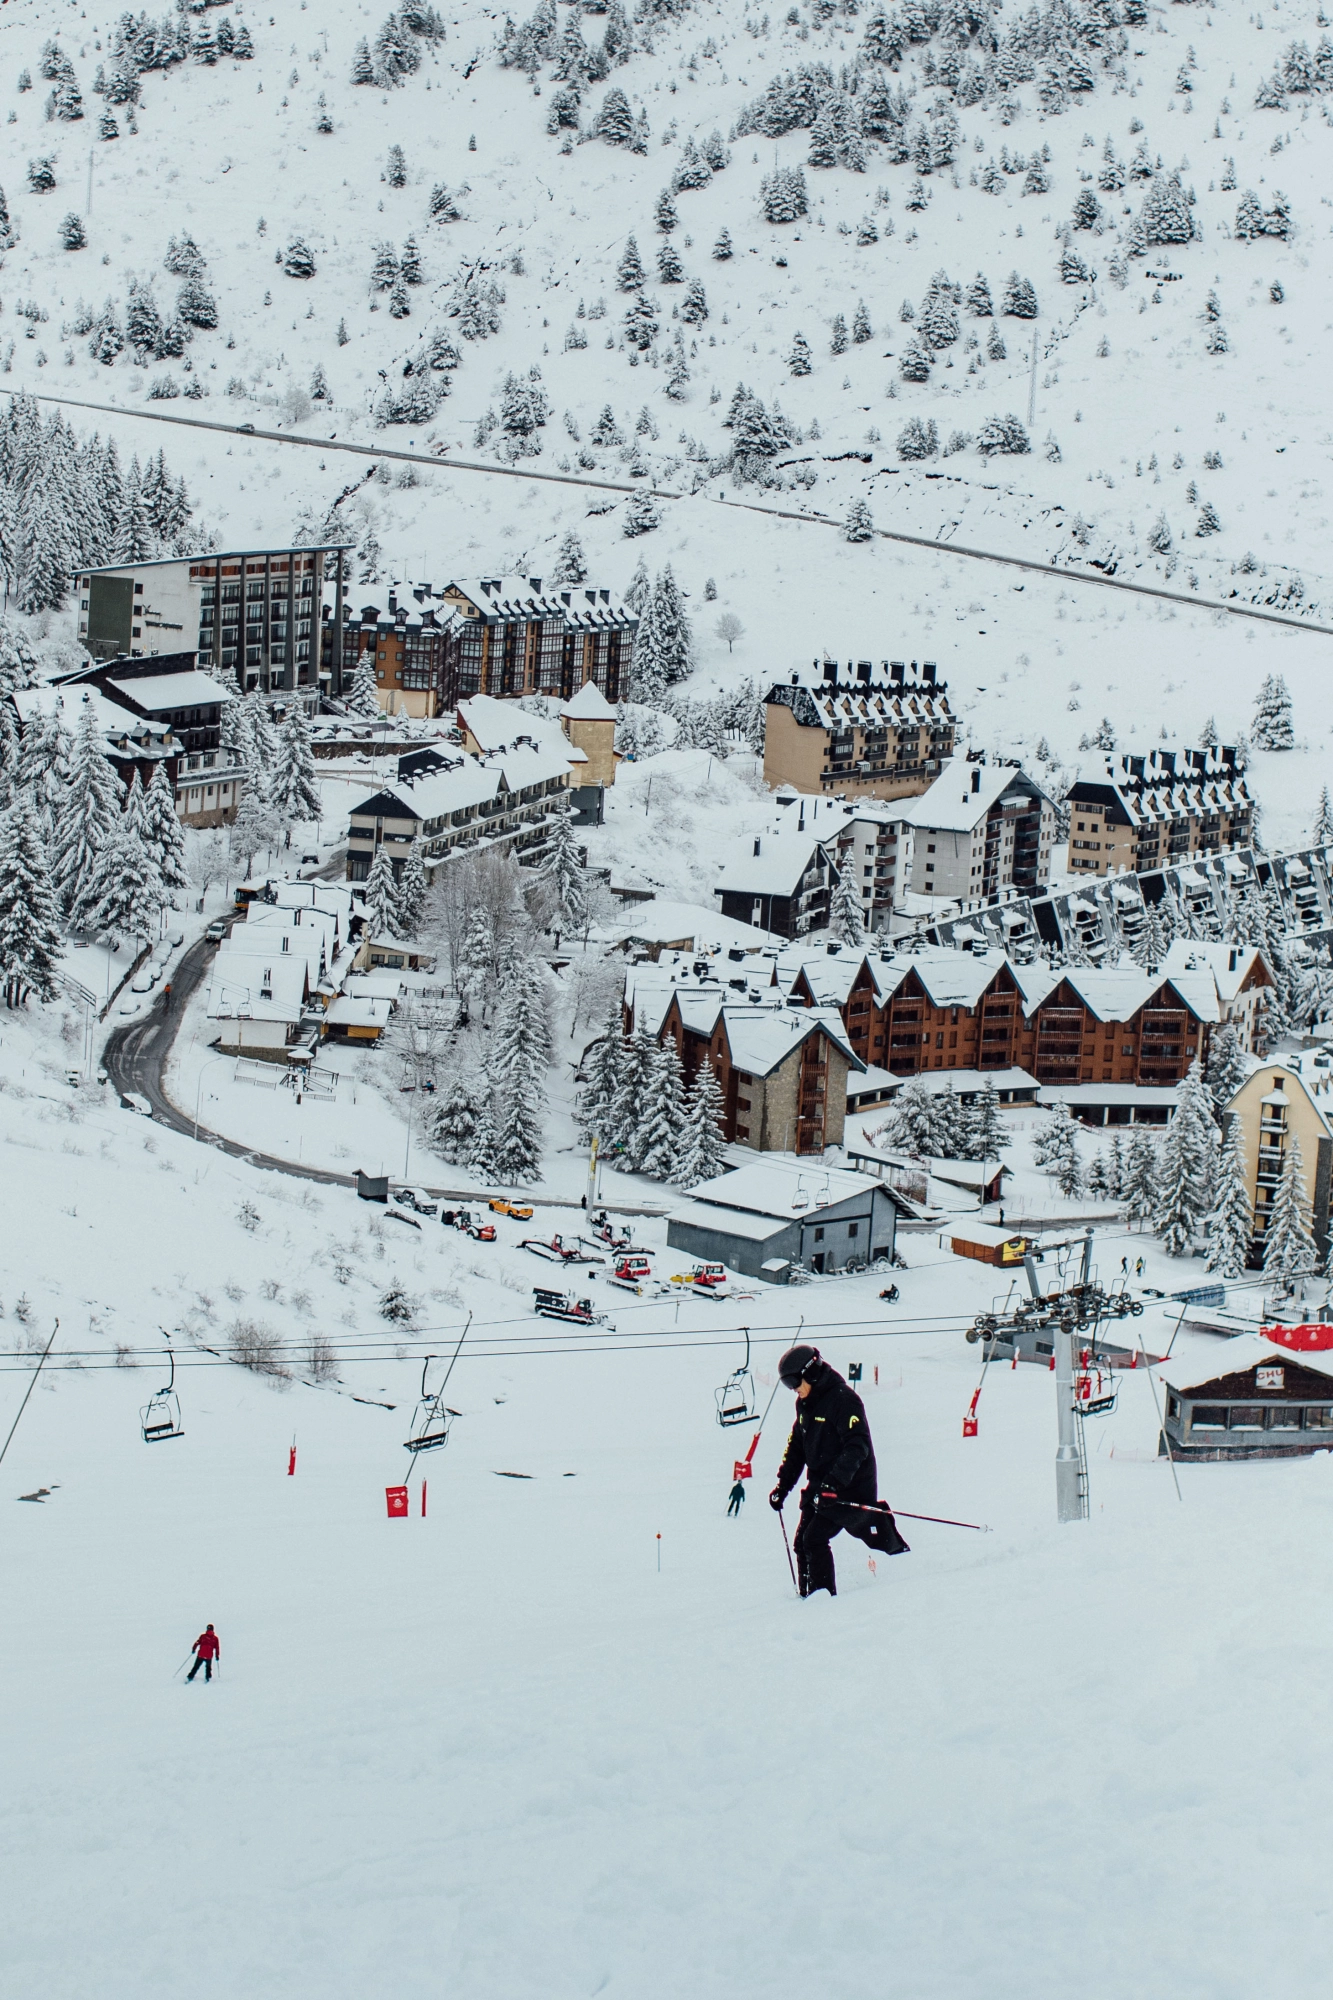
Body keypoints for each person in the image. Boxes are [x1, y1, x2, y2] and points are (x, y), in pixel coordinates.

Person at [768, 1345, 907, 1597]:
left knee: (813, 1540)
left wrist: (833, 1485)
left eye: (794, 1382)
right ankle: (806, 1596)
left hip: (848, 1488)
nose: (794, 1389)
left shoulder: (843, 1400)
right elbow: (797, 1447)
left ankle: (822, 1600)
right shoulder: (805, 1404)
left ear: (810, 1373)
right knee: (801, 1544)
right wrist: (782, 1487)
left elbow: (857, 1447)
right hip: (820, 1487)